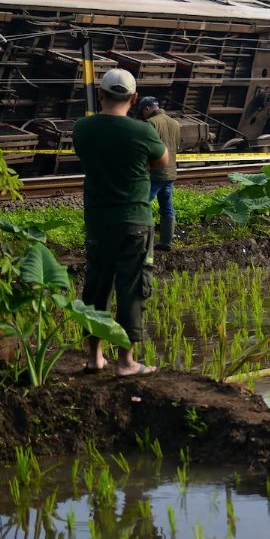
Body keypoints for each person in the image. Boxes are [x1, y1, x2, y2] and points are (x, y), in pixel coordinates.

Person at [72, 69, 168, 376]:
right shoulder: (142, 132)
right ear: (134, 98)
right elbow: (162, 161)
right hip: (135, 222)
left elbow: (85, 155)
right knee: (132, 289)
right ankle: (126, 362)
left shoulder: (83, 128)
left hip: (99, 222)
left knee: (97, 288)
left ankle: (94, 358)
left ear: (100, 95)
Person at [137, 97, 181, 251]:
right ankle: (166, 242)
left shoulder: (151, 123)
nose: (143, 115)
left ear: (147, 109)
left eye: (143, 112)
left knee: (142, 206)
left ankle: (142, 243)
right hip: (170, 173)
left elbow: (145, 149)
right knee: (167, 207)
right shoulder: (175, 123)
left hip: (154, 173)